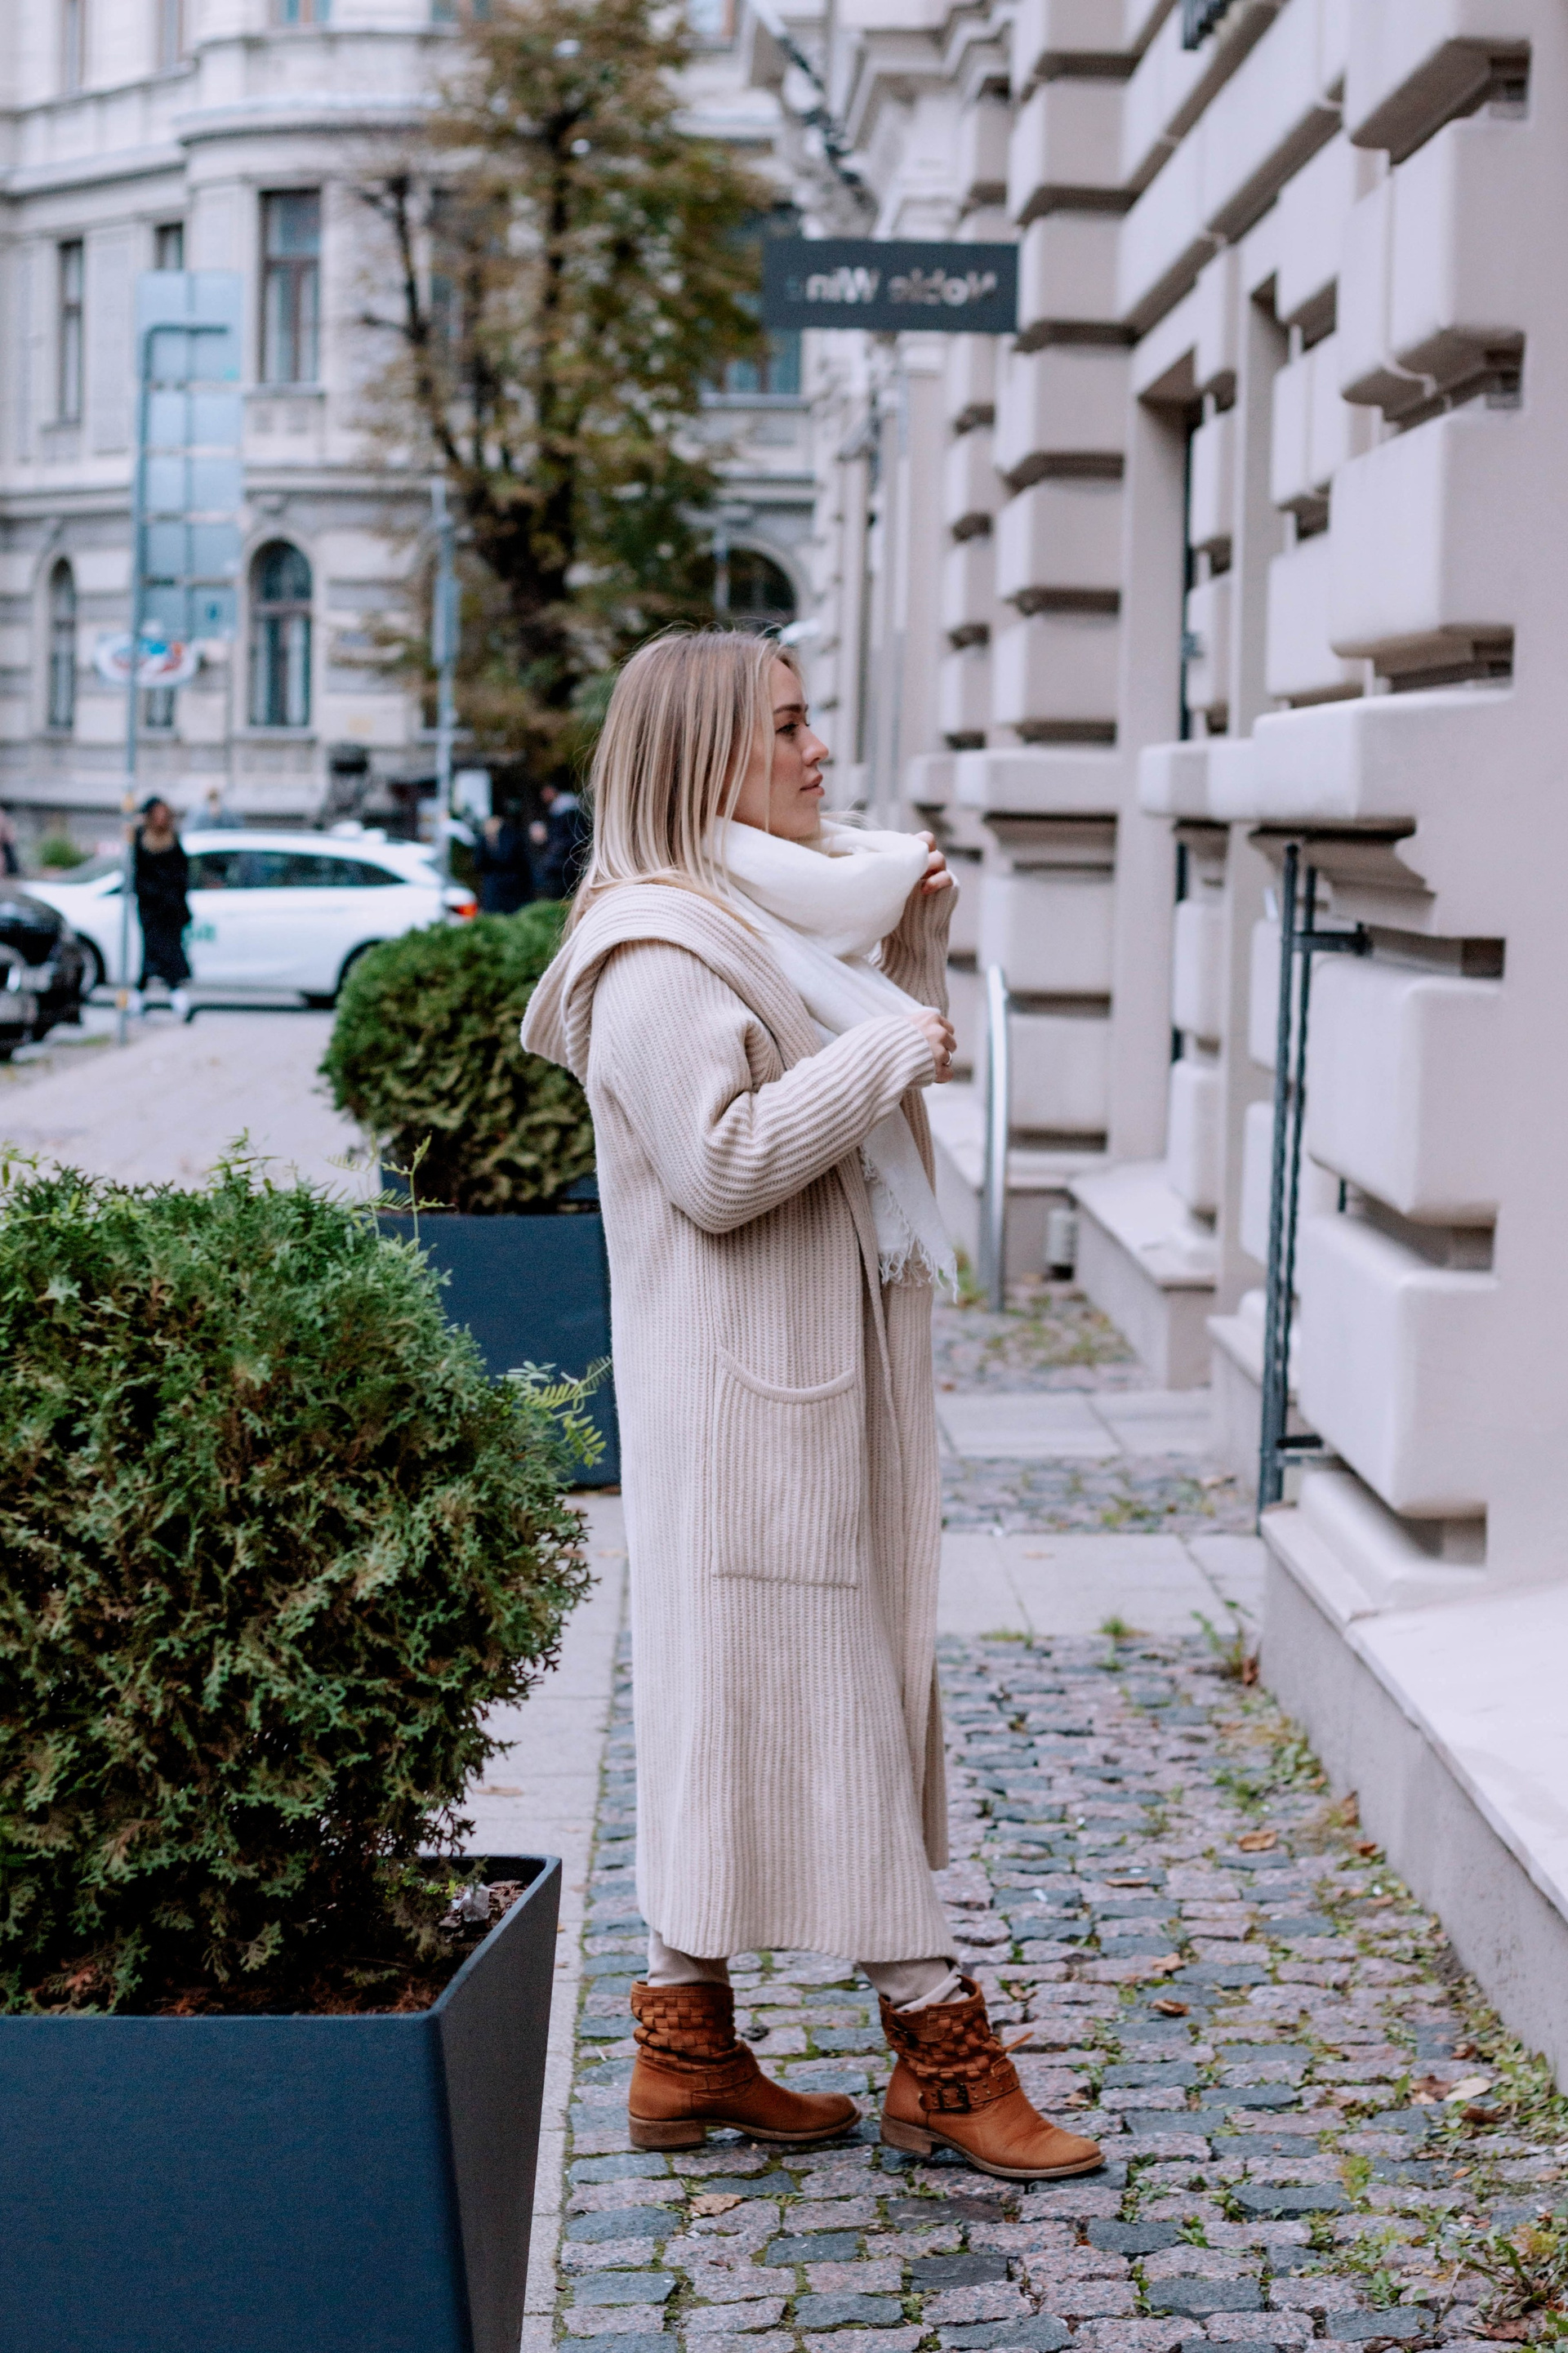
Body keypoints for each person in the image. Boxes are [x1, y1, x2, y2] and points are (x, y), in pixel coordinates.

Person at [522, 633, 1102, 2183]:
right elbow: (723, 1166)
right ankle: (942, 2045)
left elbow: (873, 1087)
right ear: (706, 755)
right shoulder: (654, 952)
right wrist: (886, 1043)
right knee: (822, 1705)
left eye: (809, 721)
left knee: (742, 1709)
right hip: (741, 1410)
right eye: (786, 727)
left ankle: (685, 2048)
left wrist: (911, 957)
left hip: (795, 1388)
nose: (818, 751)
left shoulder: (753, 924)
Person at [131, 796, 193, 1023]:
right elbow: (137, 873)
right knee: (152, 951)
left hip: (171, 909)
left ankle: (167, 996)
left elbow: (182, 873)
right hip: (150, 908)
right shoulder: (140, 838)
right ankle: (160, 996)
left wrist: (176, 899)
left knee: (168, 952)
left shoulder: (173, 839)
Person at [533, 778, 592, 900]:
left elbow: (575, 837)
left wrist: (553, 844)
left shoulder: (568, 811)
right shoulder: (559, 810)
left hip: (568, 864)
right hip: (566, 862)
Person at [473, 810, 534, 914]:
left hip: (510, 884)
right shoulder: (483, 840)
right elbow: (479, 862)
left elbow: (514, 859)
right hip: (492, 884)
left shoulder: (511, 837)